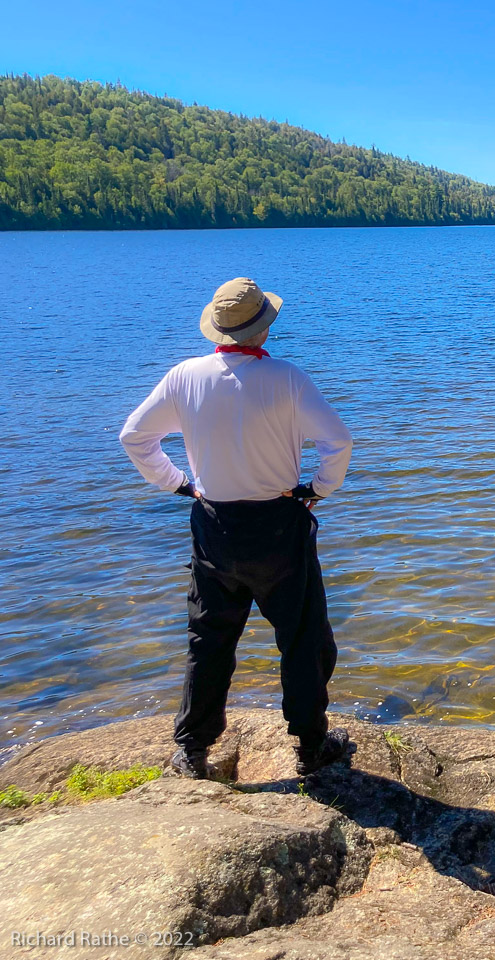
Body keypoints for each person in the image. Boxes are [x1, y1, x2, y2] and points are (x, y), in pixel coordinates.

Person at [119, 277, 354, 779]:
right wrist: (317, 490)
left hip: (214, 526)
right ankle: (312, 746)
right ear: (264, 330)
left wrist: (178, 484)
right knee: (303, 637)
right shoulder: (287, 378)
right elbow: (339, 442)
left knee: (209, 639)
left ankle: (193, 750)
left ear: (217, 329)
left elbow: (134, 436)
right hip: (278, 526)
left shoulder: (184, 377)